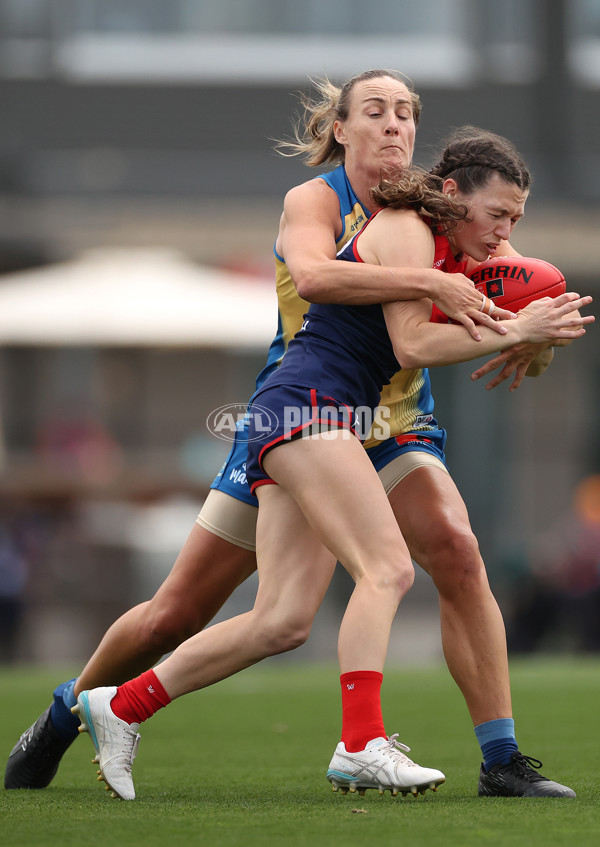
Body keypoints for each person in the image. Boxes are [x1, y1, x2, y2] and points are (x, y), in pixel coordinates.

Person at [2, 70, 576, 798]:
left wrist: (534, 338)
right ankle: (70, 710)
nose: (395, 125)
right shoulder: (323, 202)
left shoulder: (454, 219)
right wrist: (443, 292)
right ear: (341, 128)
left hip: (388, 417)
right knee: (176, 612)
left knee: (440, 557)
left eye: (407, 113)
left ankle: (501, 759)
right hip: (307, 406)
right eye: (376, 111)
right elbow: (315, 278)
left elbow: (522, 301)